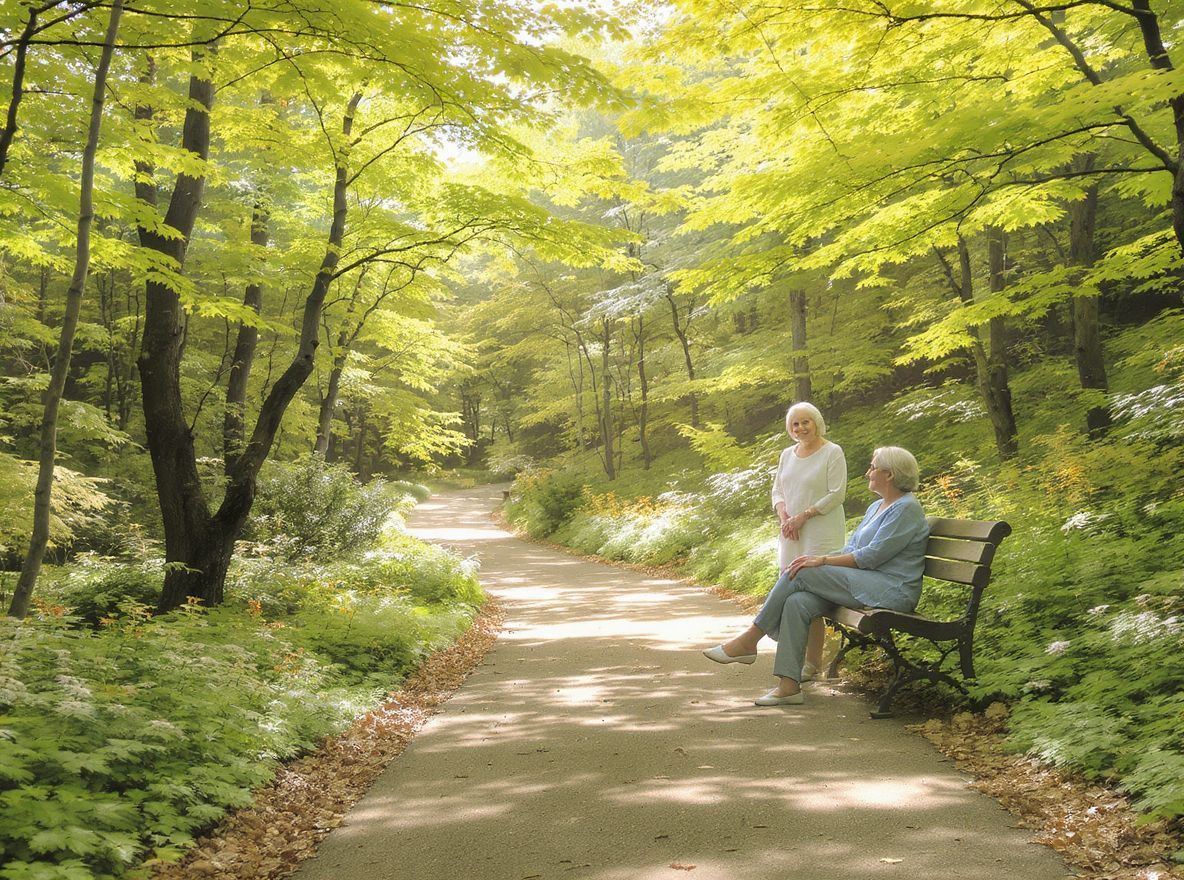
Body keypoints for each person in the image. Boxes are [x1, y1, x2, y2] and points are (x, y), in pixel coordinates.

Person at [703, 446, 929, 707]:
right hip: (865, 582)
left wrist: (822, 560)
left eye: (873, 467)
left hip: (892, 590)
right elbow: (854, 550)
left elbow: (872, 557)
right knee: (798, 601)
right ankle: (788, 686)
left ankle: (751, 638)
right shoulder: (878, 506)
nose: (868, 472)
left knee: (801, 569)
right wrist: (824, 561)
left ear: (889, 474)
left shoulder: (906, 509)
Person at [769, 402, 847, 680]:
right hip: (791, 533)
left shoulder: (832, 452)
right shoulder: (786, 455)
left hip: (820, 534)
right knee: (791, 593)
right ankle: (799, 661)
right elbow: (778, 490)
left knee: (811, 597)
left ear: (817, 423)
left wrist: (804, 515)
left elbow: (836, 494)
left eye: (806, 422)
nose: (800, 428)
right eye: (795, 424)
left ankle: (812, 663)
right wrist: (784, 516)